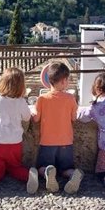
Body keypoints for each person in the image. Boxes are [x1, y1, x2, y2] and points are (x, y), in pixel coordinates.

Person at [0, 67, 39, 198]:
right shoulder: (20, 101)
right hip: (14, 143)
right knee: (15, 168)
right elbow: (27, 117)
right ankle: (29, 175)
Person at [32, 61, 84, 194]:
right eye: (67, 80)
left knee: (41, 167)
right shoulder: (70, 98)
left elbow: (36, 118)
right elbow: (74, 118)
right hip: (66, 142)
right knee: (66, 168)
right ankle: (73, 175)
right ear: (63, 81)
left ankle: (47, 172)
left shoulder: (42, 99)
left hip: (47, 142)